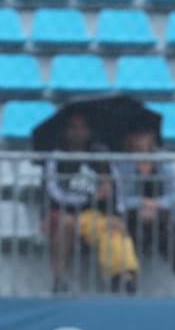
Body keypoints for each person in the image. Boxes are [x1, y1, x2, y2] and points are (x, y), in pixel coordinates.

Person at [41, 112, 126, 293]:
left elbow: (116, 187)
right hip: (62, 211)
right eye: (72, 127)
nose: (77, 132)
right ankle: (58, 279)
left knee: (112, 226)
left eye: (82, 127)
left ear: (89, 131)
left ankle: (120, 277)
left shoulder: (99, 156)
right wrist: (89, 199)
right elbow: (54, 192)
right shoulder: (57, 157)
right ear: (65, 131)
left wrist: (116, 213)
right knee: (68, 222)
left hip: (93, 215)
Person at [113, 128, 175, 294]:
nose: (141, 138)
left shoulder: (163, 164)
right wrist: (142, 203)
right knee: (128, 234)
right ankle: (128, 284)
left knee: (165, 234)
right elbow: (121, 198)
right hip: (133, 216)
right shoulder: (123, 166)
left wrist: (156, 204)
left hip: (160, 216)